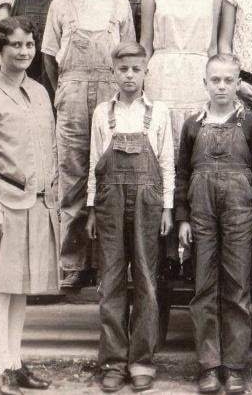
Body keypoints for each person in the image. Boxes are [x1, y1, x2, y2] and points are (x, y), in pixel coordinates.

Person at [0, 17, 58, 395]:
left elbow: (50, 146)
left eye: (29, 45)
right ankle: (0, 364)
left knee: (21, 288)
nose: (24, 52)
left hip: (36, 203)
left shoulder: (38, 91)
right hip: (1, 206)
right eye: (16, 45)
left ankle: (15, 363)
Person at [42, 0, 135, 289]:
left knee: (115, 173)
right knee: (74, 176)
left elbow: (128, 57)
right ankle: (74, 263)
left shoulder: (119, 5)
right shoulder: (61, 7)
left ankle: (114, 263)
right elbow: (50, 59)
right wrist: (67, 89)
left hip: (112, 92)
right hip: (74, 92)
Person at [84, 42, 174, 393]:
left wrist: (167, 208)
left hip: (149, 202)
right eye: (123, 69)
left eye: (136, 69)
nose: (130, 75)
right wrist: (91, 209)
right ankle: (113, 361)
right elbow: (95, 164)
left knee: (148, 282)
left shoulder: (160, 113)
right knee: (111, 282)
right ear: (113, 73)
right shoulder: (102, 114)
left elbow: (166, 163)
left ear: (146, 71)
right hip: (109, 202)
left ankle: (141, 360)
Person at [175, 54, 252, 394]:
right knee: (203, 286)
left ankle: (235, 366)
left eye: (229, 80)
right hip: (201, 210)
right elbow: (182, 174)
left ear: (238, 82)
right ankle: (209, 365)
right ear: (206, 83)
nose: (222, 86)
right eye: (216, 80)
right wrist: (182, 217)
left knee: (237, 287)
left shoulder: (250, 123)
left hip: (240, 209)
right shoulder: (192, 125)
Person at [141, 0, 221, 280]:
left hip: (198, 78)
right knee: (165, 159)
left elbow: (217, 47)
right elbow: (144, 44)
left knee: (194, 158)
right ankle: (166, 246)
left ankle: (194, 248)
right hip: (162, 77)